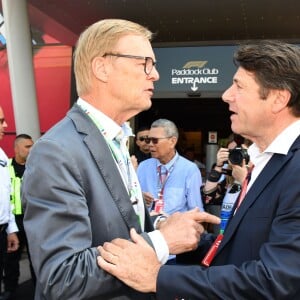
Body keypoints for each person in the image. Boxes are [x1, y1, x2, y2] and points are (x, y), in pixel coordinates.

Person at [21, 19, 220, 300]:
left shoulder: (113, 139)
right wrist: (162, 241)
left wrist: (161, 224)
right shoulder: (56, 151)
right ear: (102, 67)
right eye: (145, 64)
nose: (156, 75)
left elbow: (123, 227)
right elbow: (62, 276)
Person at [97, 39, 300, 299]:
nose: (227, 95)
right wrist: (187, 236)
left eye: (238, 86)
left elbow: (276, 281)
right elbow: (242, 249)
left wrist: (157, 277)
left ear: (278, 99)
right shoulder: (266, 161)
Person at [138, 119, 204, 215]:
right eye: (148, 140)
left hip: (176, 228)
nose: (150, 144)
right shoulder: (143, 167)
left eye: (155, 140)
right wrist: (140, 199)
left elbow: (195, 210)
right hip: (149, 228)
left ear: (172, 141)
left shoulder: (189, 169)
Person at [2, 134, 35, 300]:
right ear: (16, 148)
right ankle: (10, 289)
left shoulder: (36, 167)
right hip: (13, 221)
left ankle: (39, 289)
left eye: (32, 146)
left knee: (36, 257)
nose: (31, 149)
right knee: (11, 259)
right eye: (27, 146)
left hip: (33, 220)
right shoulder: (5, 167)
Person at [202, 133, 250, 234]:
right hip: (225, 235)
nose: (235, 157)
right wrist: (218, 166)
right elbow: (208, 198)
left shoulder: (259, 176)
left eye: (240, 152)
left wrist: (244, 180)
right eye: (231, 153)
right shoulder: (228, 178)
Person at [0, 106, 19, 300]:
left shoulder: (2, 156)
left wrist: (10, 228)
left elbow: (7, 196)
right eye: (0, 121)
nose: (5, 125)